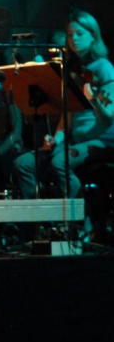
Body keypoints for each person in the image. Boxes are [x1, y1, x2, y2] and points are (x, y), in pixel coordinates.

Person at [14, 11, 114, 200]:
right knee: (23, 163)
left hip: (101, 142)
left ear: (93, 35)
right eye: (70, 35)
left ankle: (77, 214)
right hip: (76, 141)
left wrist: (93, 100)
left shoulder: (104, 67)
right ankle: (36, 213)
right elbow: (67, 116)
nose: (73, 39)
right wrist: (56, 139)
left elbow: (109, 118)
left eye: (79, 34)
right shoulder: (71, 69)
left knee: (60, 162)